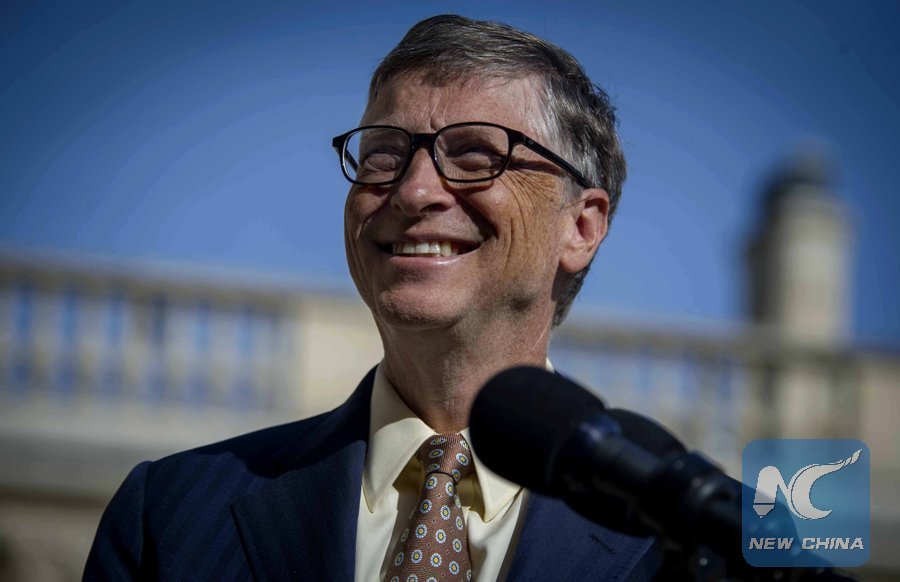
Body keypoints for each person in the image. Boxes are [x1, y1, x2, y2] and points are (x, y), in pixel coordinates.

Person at [85, 14, 660, 581]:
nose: (413, 190)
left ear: (580, 227)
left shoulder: (684, 536)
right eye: (384, 153)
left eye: (474, 155)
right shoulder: (168, 515)